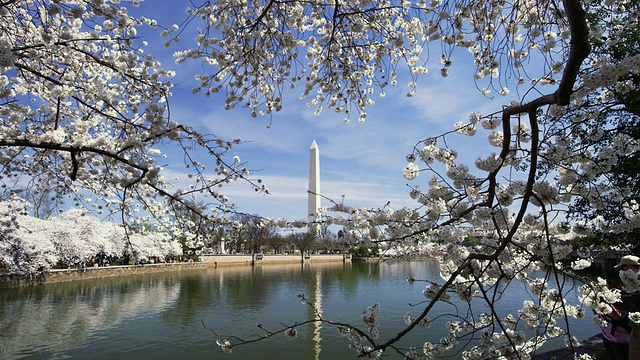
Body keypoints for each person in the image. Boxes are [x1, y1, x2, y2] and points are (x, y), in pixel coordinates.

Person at [616, 255, 640, 360]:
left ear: (629, 267)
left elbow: (629, 303)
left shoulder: (635, 282)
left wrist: (612, 297)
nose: (622, 272)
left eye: (623, 269)